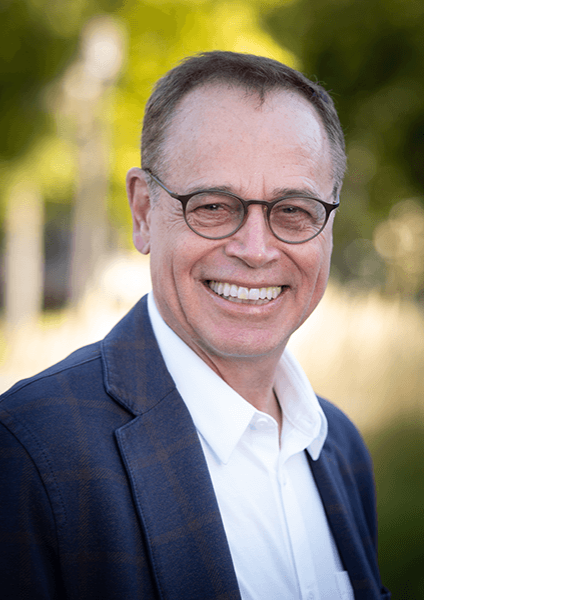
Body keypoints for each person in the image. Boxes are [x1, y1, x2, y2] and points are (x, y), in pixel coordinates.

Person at [0, 51, 389, 600]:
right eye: (212, 206)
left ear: (327, 227)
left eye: (294, 210)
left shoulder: (340, 447)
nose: (256, 251)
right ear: (142, 212)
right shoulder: (30, 454)